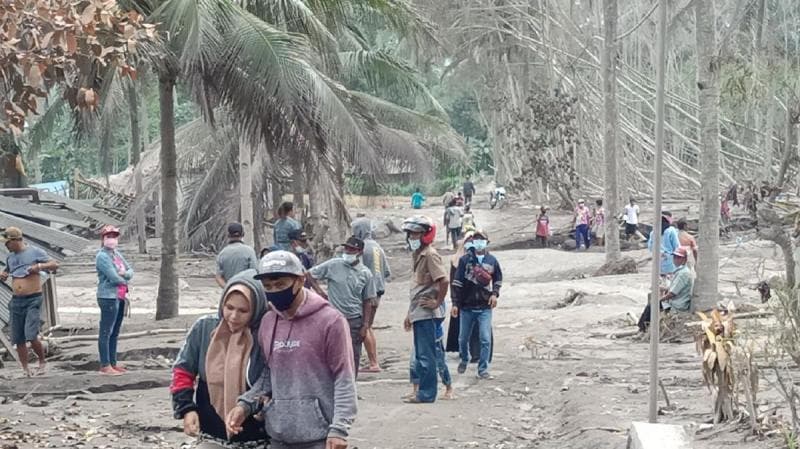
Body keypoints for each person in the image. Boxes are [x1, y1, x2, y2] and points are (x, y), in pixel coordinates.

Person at [226, 251, 357, 449]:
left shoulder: (331, 321)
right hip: (278, 436)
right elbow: (269, 373)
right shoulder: (268, 322)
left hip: (320, 437)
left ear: (300, 280)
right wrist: (244, 405)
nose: (274, 291)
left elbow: (344, 376)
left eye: (280, 284)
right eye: (268, 286)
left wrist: (339, 429)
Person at [171, 270, 268, 448]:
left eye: (243, 311)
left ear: (256, 310)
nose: (233, 316)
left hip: (257, 437)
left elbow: (270, 382)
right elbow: (182, 371)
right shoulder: (204, 329)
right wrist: (186, 409)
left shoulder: (266, 333)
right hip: (211, 434)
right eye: (229, 307)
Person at [306, 237, 377, 377]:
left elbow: (368, 301)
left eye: (352, 249)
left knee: (353, 355)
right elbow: (309, 274)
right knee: (330, 352)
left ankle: (351, 385)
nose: (348, 252)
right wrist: (320, 292)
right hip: (333, 319)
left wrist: (365, 325)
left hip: (354, 320)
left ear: (360, 252)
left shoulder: (365, 273)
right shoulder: (334, 265)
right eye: (347, 248)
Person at [401, 216, 449, 403]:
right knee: (421, 354)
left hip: (428, 313)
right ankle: (421, 390)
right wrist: (409, 314)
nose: (412, 237)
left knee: (427, 355)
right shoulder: (418, 254)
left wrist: (437, 302)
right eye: (411, 234)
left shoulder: (430, 255)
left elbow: (443, 280)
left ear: (426, 235)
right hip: (418, 312)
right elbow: (417, 289)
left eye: (416, 234)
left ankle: (427, 394)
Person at [0, 227, 59, 377]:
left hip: (33, 298)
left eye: (8, 243)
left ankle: (42, 361)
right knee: (18, 337)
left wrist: (39, 267)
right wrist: (4, 274)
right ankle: (25, 369)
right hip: (17, 301)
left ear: (16, 241)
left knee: (31, 334)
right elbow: (7, 271)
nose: (6, 246)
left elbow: (54, 264)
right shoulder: (11, 257)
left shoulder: (34, 252)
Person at [451, 230, 501, 380]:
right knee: (462, 339)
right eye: (476, 239)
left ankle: (483, 369)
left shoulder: (492, 261)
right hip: (466, 307)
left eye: (482, 240)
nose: (479, 242)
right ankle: (464, 358)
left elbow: (498, 278)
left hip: (484, 307)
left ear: (487, 242)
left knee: (485, 339)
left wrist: (495, 294)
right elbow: (457, 283)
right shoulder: (465, 261)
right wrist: (455, 303)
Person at [445, 233, 492, 364]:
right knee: (464, 331)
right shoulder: (458, 260)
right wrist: (455, 301)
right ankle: (465, 352)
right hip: (464, 301)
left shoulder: (484, 259)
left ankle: (479, 355)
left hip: (480, 300)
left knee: (481, 331)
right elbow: (454, 283)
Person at [351, 219, 391, 374]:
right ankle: (373, 361)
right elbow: (387, 272)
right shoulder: (377, 247)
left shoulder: (361, 248)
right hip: (379, 290)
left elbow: (356, 271)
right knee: (368, 326)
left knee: (364, 326)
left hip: (367, 293)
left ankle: (373, 363)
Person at [95, 225, 133, 376]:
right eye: (108, 237)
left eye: (114, 237)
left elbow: (131, 270)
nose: (112, 240)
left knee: (115, 332)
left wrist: (125, 274)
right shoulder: (102, 256)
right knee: (106, 331)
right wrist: (124, 277)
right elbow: (113, 277)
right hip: (108, 296)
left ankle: (113, 362)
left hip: (120, 295)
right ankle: (105, 365)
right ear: (103, 239)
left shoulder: (116, 254)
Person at [637, 247, 694, 333]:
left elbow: (672, 293)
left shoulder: (683, 273)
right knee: (653, 305)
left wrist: (660, 299)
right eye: (674, 257)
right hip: (675, 301)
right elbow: (674, 288)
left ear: (684, 259)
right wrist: (661, 288)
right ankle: (645, 328)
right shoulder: (681, 271)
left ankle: (642, 329)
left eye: (678, 257)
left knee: (652, 306)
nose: (675, 260)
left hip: (677, 305)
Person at [216, 222, 259, 288]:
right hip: (246, 290)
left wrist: (228, 288)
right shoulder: (249, 251)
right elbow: (254, 273)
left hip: (229, 293)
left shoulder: (222, 254)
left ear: (228, 235)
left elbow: (218, 277)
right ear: (243, 234)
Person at [648, 212, 681, 277]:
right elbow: (677, 246)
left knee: (660, 280)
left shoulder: (653, 233)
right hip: (670, 261)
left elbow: (650, 247)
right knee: (671, 280)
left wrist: (659, 253)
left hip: (658, 261)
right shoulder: (671, 231)